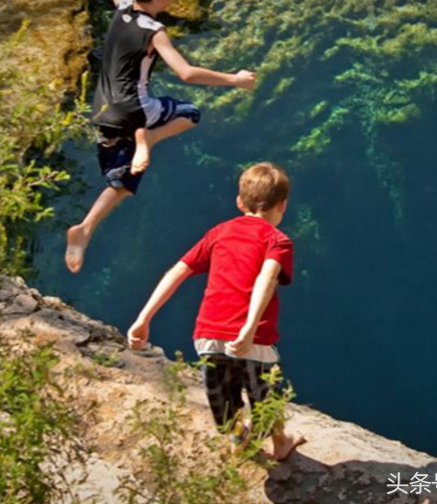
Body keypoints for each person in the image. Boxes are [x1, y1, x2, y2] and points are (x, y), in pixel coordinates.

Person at [65, 0, 257, 273]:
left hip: (102, 112)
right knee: (190, 114)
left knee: (122, 180)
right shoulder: (155, 31)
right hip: (135, 110)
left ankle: (85, 228)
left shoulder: (122, 8)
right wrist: (235, 79)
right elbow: (185, 73)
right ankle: (147, 140)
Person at [127, 162, 306, 461]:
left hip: (207, 334)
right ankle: (279, 443)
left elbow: (178, 271)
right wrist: (249, 328)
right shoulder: (278, 241)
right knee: (267, 395)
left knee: (224, 401)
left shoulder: (219, 233)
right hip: (253, 340)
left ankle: (240, 439)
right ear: (283, 205)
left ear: (239, 202)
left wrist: (143, 318)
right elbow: (266, 278)